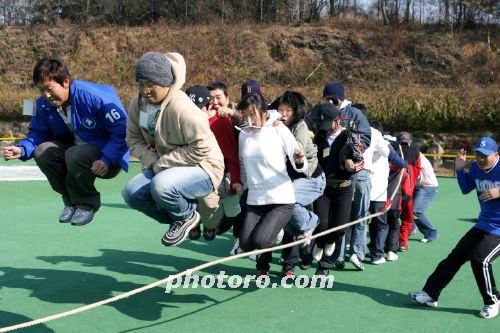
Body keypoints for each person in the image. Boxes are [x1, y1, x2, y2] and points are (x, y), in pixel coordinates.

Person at [2, 57, 129, 226]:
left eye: (49, 88)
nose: (46, 95)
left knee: (74, 154)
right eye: (41, 90)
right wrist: (22, 149)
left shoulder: (96, 98)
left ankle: (86, 204)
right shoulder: (43, 105)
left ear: (66, 82)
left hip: (108, 159)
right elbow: (38, 135)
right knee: (42, 151)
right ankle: (70, 201)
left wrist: (107, 159)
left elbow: (123, 133)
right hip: (75, 155)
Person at [121, 52, 224, 247]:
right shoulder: (138, 104)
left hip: (205, 167)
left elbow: (201, 148)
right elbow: (133, 138)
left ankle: (187, 216)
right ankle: (181, 220)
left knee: (162, 186)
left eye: (151, 84)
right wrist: (152, 160)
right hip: (166, 166)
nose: (145, 90)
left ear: (165, 82)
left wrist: (163, 164)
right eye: (140, 83)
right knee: (131, 193)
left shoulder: (182, 107)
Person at [410, 137, 500, 319]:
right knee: (455, 256)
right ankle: (430, 294)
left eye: (486, 156)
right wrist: (459, 168)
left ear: (496, 154)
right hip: (483, 223)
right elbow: (466, 188)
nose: (481, 158)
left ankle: (492, 301)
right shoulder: (475, 167)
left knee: (479, 259)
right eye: (478, 154)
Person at [235, 93, 307, 276]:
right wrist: (240, 184)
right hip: (255, 198)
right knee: (245, 243)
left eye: (253, 114)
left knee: (260, 242)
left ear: (264, 112)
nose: (249, 119)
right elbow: (243, 163)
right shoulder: (244, 135)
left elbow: (299, 162)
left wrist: (299, 159)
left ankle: (277, 233)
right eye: (246, 115)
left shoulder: (278, 129)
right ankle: (272, 234)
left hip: (280, 198)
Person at [271, 91, 326, 275]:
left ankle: (310, 221)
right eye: (280, 109)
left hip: (312, 179)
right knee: (276, 201)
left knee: (287, 200)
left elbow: (297, 149)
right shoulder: (272, 125)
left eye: (288, 110)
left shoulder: (300, 127)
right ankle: (296, 230)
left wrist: (281, 131)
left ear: (296, 112)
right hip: (292, 180)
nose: (284, 114)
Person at [321, 82, 371, 271]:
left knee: (352, 215)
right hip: (324, 173)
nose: (331, 102)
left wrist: (349, 157)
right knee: (325, 219)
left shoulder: (355, 115)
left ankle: (350, 254)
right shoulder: (319, 111)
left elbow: (364, 139)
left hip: (348, 173)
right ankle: (335, 255)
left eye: (335, 99)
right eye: (327, 98)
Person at [307, 103, 362, 276]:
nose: (325, 128)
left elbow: (361, 161)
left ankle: (325, 265)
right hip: (322, 187)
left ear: (337, 121)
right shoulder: (320, 136)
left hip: (343, 188)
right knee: (322, 224)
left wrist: (353, 166)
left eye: (328, 124)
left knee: (338, 228)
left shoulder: (350, 136)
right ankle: (320, 242)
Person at [185, 84, 243, 241]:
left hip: (220, 171)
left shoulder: (223, 121)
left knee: (231, 209)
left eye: (219, 98)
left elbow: (231, 154)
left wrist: (235, 179)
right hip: (193, 169)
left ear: (227, 99)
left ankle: (215, 222)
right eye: (211, 99)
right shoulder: (186, 121)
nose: (214, 102)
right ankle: (194, 221)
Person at [397, 131, 422, 251]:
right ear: (410, 141)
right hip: (408, 192)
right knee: (407, 219)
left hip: (393, 192)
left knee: (389, 219)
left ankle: (388, 245)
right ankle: (402, 243)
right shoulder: (416, 152)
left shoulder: (392, 151)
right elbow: (418, 170)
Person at [412, 153, 439, 243]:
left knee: (416, 211)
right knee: (404, 207)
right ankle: (411, 228)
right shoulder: (409, 154)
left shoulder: (417, 155)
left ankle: (431, 233)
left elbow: (416, 174)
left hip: (427, 186)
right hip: (418, 186)